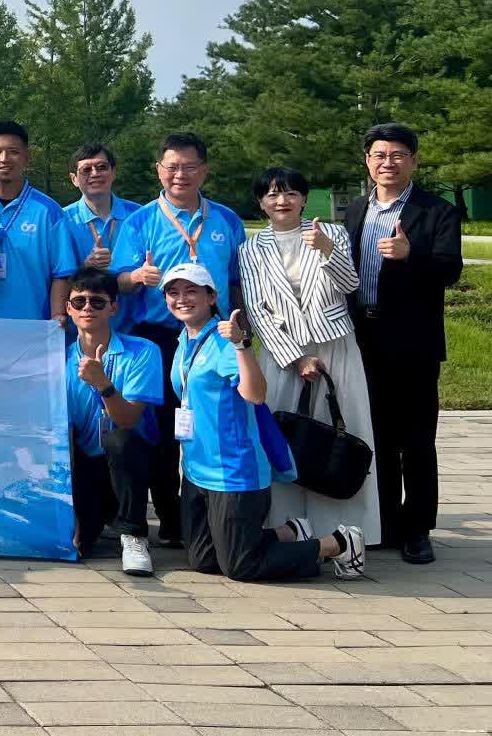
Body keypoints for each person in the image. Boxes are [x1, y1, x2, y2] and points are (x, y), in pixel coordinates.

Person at [162, 262, 364, 582]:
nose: (181, 299)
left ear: (212, 296)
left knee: (241, 566)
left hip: (232, 471)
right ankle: (289, 533)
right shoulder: (184, 341)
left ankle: (337, 543)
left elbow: (256, 394)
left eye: (191, 291)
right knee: (204, 559)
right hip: (196, 469)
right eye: (173, 292)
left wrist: (242, 345)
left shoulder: (224, 343)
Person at [109, 132, 248, 547]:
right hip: (159, 338)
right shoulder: (140, 222)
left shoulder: (226, 220)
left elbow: (238, 281)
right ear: (159, 171)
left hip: (213, 336)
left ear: (204, 171)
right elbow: (117, 281)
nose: (180, 175)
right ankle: (172, 520)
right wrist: (136, 276)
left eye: (189, 167)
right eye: (172, 167)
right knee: (164, 431)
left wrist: (243, 329)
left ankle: (210, 513)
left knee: (212, 424)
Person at [239, 165, 381, 547]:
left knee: (340, 434)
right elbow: (257, 310)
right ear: (261, 203)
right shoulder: (251, 249)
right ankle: (289, 528)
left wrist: (327, 251)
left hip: (335, 346)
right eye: (272, 194)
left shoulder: (331, 233)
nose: (281, 201)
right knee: (284, 437)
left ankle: (347, 531)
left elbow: (350, 284)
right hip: (283, 353)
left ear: (304, 198)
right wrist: (296, 358)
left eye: (290, 193)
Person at [344, 123, 464, 563]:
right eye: (379, 155)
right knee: (375, 434)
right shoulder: (357, 210)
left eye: (397, 155)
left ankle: (418, 529)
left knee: (415, 439)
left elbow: (450, 270)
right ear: (368, 161)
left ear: (413, 160)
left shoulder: (437, 211)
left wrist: (412, 256)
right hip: (363, 337)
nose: (387, 163)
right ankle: (387, 523)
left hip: (413, 341)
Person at [62, 271, 165, 569]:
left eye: (97, 302)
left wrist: (103, 383)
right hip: (88, 461)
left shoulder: (143, 351)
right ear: (68, 308)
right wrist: (71, 513)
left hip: (131, 458)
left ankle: (134, 535)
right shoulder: (59, 359)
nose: (87, 308)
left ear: (113, 308)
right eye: (79, 302)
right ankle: (98, 519)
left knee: (121, 439)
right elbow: (65, 436)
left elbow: (128, 419)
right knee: (79, 543)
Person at [0, 121, 79, 323]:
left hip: (30, 325)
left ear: (26, 157)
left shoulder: (48, 211)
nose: (4, 159)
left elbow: (61, 273)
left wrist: (57, 315)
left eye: (13, 152)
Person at [64, 143, 138, 286]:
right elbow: (55, 277)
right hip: (84, 299)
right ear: (74, 179)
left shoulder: (139, 216)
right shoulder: (62, 220)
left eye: (102, 167)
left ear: (113, 172)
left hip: (132, 300)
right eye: (86, 169)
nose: (95, 174)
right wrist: (86, 266)